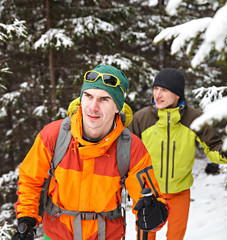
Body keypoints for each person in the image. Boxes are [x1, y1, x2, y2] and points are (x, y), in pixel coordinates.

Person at [13, 64, 169, 240]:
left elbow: (149, 201)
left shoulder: (131, 148)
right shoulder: (53, 136)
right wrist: (27, 218)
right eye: (88, 96)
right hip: (57, 235)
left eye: (104, 99)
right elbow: (29, 179)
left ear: (118, 107)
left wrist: (155, 215)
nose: (93, 107)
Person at [128, 68, 227, 240]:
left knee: (176, 236)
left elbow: (214, 146)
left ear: (177, 94)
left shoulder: (194, 119)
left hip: (180, 192)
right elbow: (127, 152)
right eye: (156, 89)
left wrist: (226, 153)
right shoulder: (142, 118)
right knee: (145, 236)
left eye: (164, 90)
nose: (157, 94)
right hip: (149, 192)